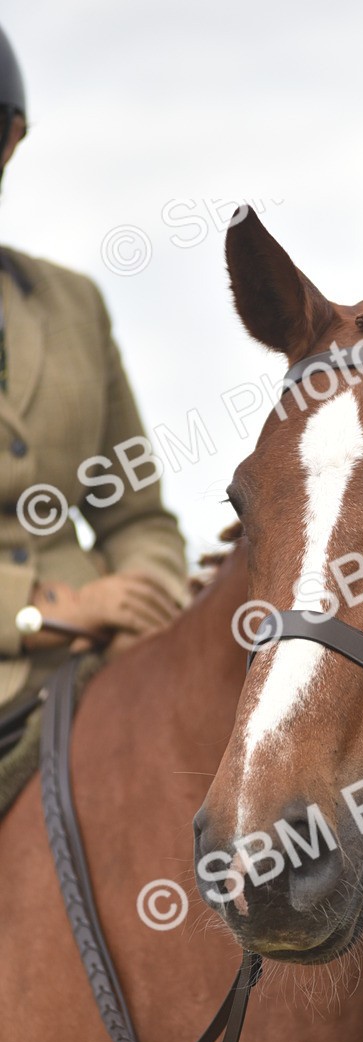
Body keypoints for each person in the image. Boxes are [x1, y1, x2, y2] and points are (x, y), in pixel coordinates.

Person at [0, 25, 188, 718]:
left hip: (103, 661)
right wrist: (45, 609)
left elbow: (136, 512)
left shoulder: (74, 304)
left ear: (10, 140)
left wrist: (145, 590)